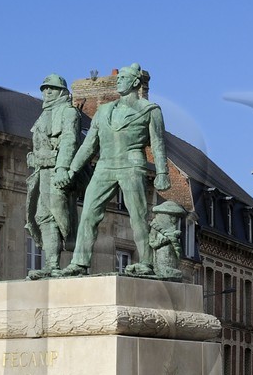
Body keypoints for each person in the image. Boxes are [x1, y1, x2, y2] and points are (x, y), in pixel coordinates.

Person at [56, 63, 170, 275]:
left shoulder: (150, 110)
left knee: (138, 215)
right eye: (119, 78)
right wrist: (71, 171)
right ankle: (79, 262)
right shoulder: (104, 111)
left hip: (132, 163)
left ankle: (146, 261)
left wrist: (162, 172)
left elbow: (158, 144)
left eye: (123, 78)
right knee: (89, 211)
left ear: (135, 82)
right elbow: (89, 145)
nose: (118, 81)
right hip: (105, 164)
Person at [24, 73, 82, 278]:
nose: (46, 92)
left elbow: (69, 141)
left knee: (61, 217)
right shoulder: (43, 115)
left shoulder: (68, 112)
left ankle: (77, 258)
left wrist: (62, 169)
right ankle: (51, 264)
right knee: (43, 217)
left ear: (62, 92)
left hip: (57, 172)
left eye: (51, 88)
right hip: (42, 172)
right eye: (44, 88)